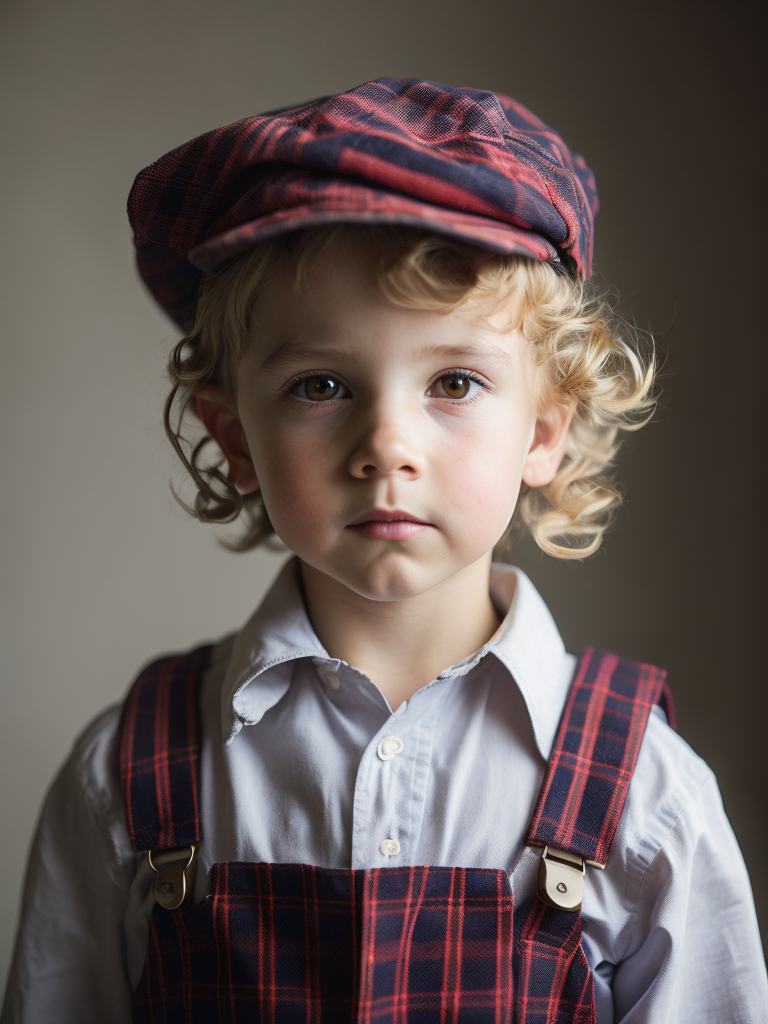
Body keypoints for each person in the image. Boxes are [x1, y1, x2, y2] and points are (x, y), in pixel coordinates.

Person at [2, 77, 766, 1023]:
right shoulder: (129, 773)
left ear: (544, 430)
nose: (385, 446)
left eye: (453, 380)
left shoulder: (647, 795)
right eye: (321, 384)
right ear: (235, 437)